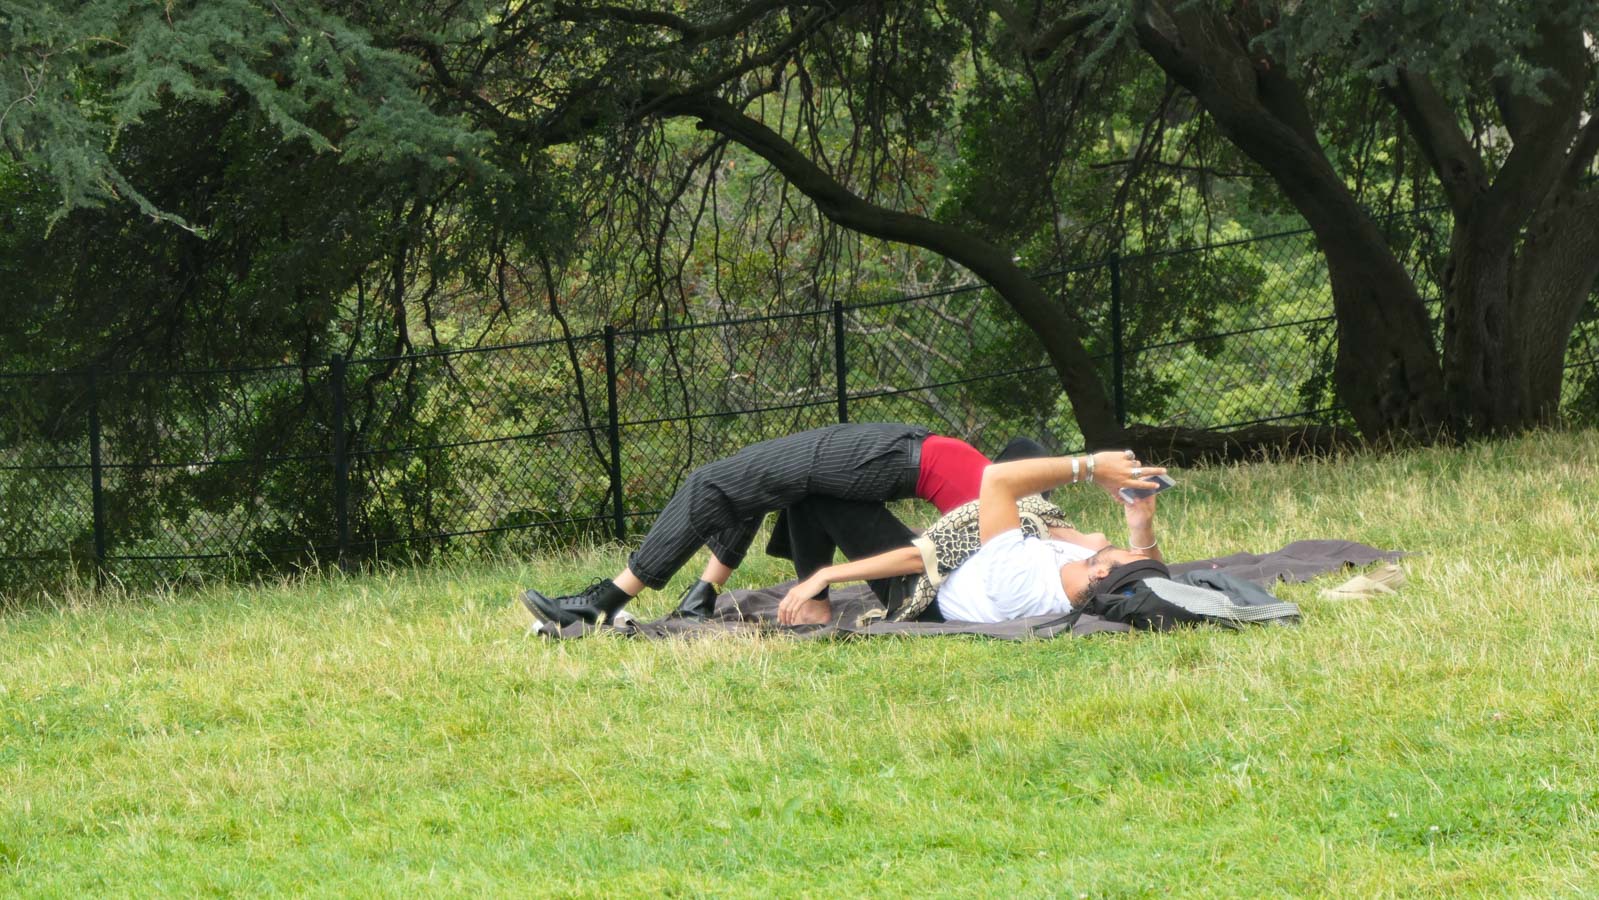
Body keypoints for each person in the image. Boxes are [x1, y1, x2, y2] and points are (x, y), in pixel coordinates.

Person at [519, 422, 1161, 628]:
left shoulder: (1024, 524)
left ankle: (607, 600)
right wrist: (1137, 522)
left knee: (720, 482)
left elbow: (929, 551)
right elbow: (1135, 555)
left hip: (900, 457)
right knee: (763, 479)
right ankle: (701, 593)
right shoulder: (1056, 534)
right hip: (907, 455)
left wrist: (1090, 468)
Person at [775, 452, 1167, 625]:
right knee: (1025, 450)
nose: (1129, 549)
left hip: (920, 583)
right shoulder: (1084, 573)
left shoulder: (1020, 582)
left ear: (1100, 571)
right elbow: (1151, 577)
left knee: (815, 495)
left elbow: (921, 560)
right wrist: (1141, 523)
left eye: (1127, 552)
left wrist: (1092, 467)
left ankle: (814, 610)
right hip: (974, 551)